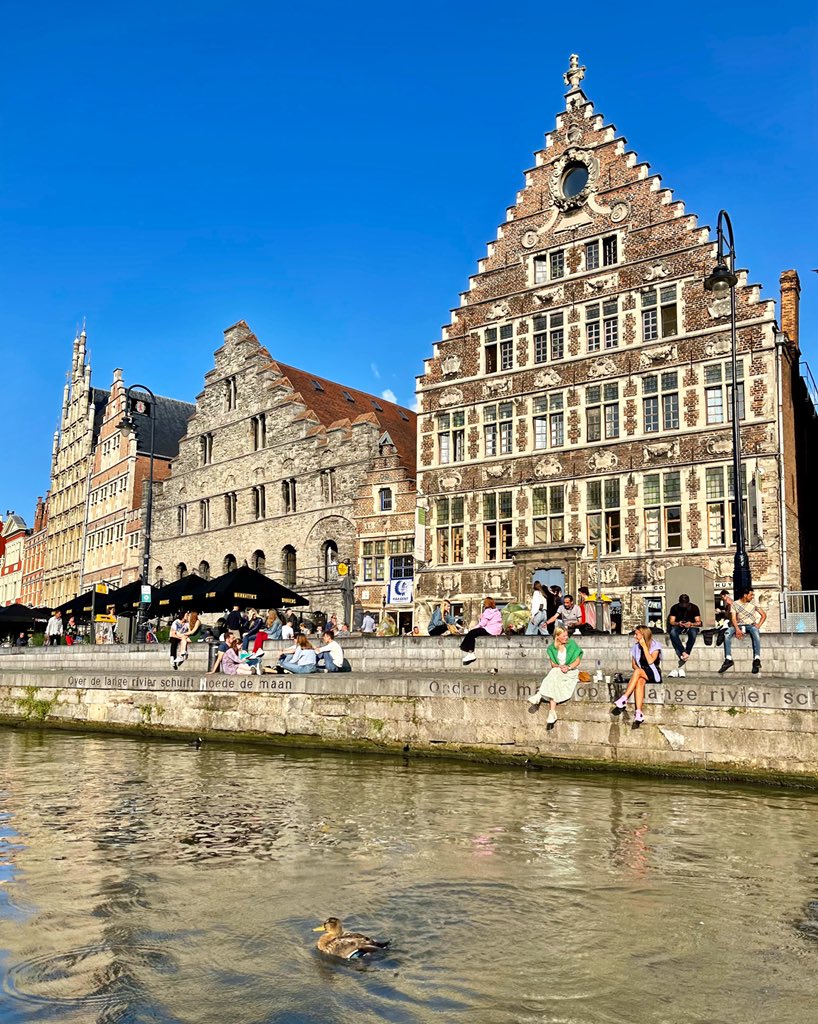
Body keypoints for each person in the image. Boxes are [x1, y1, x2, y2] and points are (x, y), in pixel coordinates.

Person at [526, 626, 583, 725]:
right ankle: (552, 712)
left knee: (554, 674)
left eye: (567, 635)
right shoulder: (552, 648)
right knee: (555, 673)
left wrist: (568, 667)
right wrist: (560, 666)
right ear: (557, 636)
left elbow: (577, 661)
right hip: (559, 671)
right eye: (564, 636)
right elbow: (553, 664)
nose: (566, 637)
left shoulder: (572, 644)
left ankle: (540, 694)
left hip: (570, 671)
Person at [611, 626, 662, 726]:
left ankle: (624, 697)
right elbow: (633, 664)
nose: (635, 636)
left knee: (638, 672)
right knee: (639, 682)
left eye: (636, 634)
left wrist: (644, 646)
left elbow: (651, 661)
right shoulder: (635, 647)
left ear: (643, 635)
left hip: (654, 672)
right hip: (642, 671)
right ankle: (639, 713)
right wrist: (639, 670)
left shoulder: (656, 645)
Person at [720, 588, 767, 674]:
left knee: (756, 633)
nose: (752, 597)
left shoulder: (754, 602)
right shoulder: (735, 604)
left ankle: (757, 658)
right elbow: (733, 618)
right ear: (745, 595)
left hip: (750, 625)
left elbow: (763, 615)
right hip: (739, 625)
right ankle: (728, 658)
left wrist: (758, 625)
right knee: (727, 633)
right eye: (751, 595)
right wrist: (737, 629)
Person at [667, 594, 702, 677]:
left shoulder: (694, 608)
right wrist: (678, 623)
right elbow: (671, 621)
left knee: (693, 633)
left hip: (691, 626)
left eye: (685, 604)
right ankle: (683, 652)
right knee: (673, 633)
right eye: (682, 604)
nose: (684, 605)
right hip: (679, 625)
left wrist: (691, 624)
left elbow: (699, 622)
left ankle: (687, 652)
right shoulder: (675, 608)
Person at [460, 597, 503, 665]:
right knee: (474, 633)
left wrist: (473, 628)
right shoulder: (497, 611)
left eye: (484, 603)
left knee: (472, 633)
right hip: (496, 630)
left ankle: (470, 652)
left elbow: (483, 624)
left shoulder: (487, 611)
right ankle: (469, 653)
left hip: (490, 629)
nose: (483, 605)